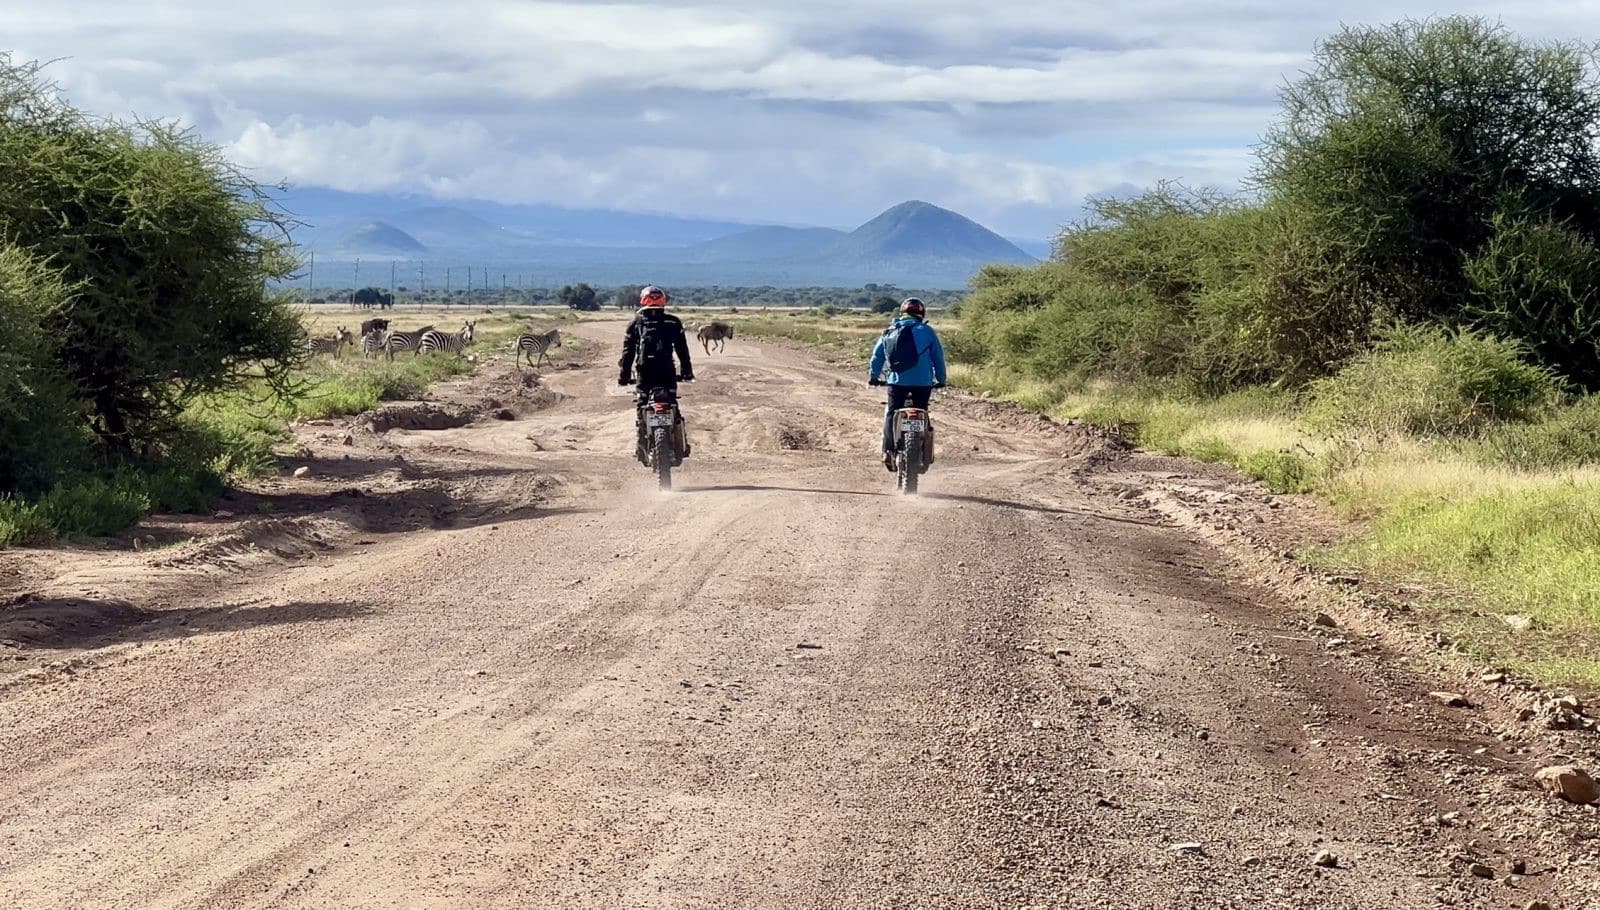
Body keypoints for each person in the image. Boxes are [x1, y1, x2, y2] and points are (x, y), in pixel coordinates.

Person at [868, 298, 947, 471]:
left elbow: (877, 357)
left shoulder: (890, 330)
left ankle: (888, 450)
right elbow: (938, 359)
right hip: (923, 383)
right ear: (921, 314)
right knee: (922, 412)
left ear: (902, 313)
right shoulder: (927, 331)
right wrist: (941, 380)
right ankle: (922, 451)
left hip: (897, 383)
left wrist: (873, 377)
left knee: (891, 412)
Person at [619, 285, 694, 459]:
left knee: (642, 405)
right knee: (672, 404)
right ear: (663, 300)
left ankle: (641, 445)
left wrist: (623, 377)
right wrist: (687, 372)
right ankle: (680, 444)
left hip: (644, 373)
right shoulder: (673, 322)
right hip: (667, 371)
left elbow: (628, 353)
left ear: (642, 300)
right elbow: (683, 350)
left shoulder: (635, 323)